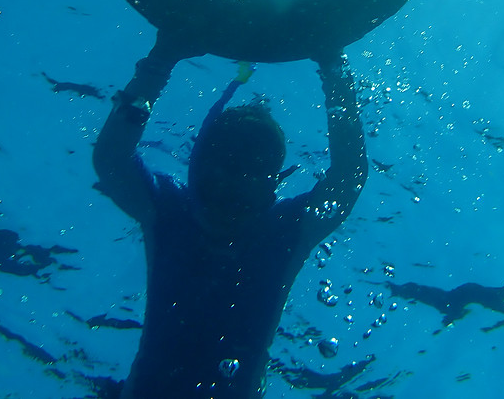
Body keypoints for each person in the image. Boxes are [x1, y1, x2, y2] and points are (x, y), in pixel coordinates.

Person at [93, 38, 367, 399]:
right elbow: (112, 158)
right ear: (196, 169)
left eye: (252, 170)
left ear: (272, 187)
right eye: (223, 165)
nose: (231, 187)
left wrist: (163, 58)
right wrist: (331, 65)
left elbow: (348, 176)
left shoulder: (282, 231)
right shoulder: (169, 209)